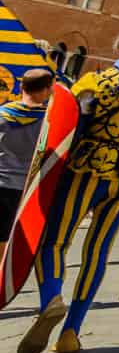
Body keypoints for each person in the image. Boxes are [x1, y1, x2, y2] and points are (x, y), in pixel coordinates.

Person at [16, 26, 119, 353]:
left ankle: (51, 298)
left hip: (85, 170)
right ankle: (71, 333)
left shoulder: (96, 82)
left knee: (56, 241)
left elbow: (72, 127)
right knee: (98, 250)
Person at [0, 68, 57, 239]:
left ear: (21, 86)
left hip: (1, 184)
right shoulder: (50, 121)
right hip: (30, 190)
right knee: (20, 242)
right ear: (47, 90)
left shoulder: (2, 115)